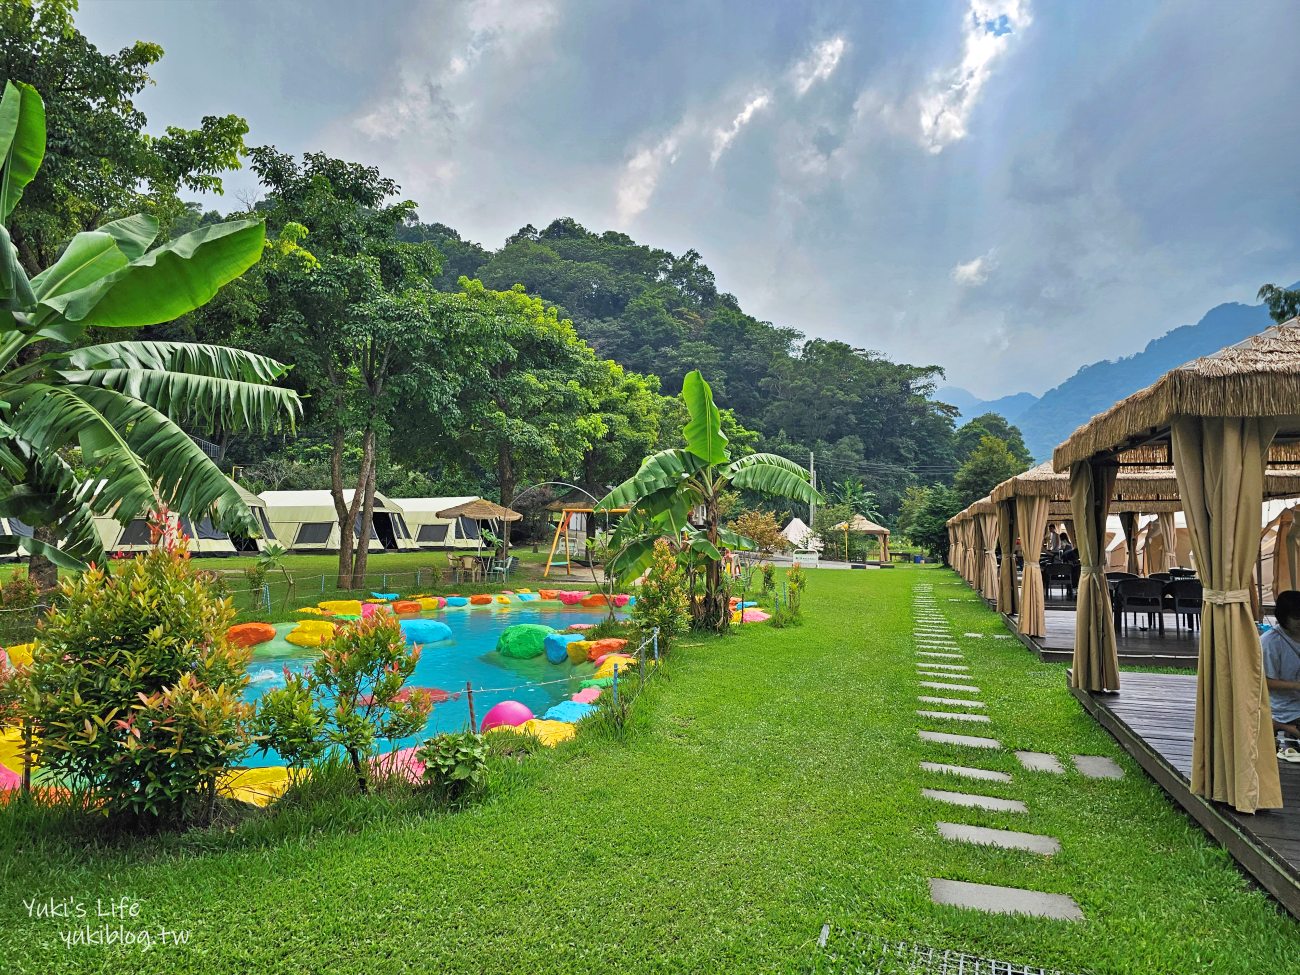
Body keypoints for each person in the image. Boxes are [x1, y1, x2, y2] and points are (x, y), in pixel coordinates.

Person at [1263, 590, 1300, 758]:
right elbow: (1264, 682)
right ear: (1283, 617)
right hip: (1284, 706)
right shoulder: (1270, 642)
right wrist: (1297, 686)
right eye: (1296, 617)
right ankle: (1281, 725)